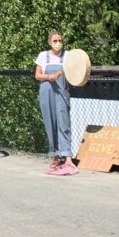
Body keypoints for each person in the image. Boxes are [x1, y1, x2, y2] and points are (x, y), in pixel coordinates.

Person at [34, 31, 77, 175]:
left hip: (61, 91)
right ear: (49, 42)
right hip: (47, 89)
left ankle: (68, 157)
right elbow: (37, 75)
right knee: (50, 122)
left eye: (60, 40)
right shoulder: (42, 55)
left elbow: (75, 71)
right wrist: (48, 77)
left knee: (63, 123)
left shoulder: (68, 55)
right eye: (55, 40)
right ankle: (55, 155)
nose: (58, 42)